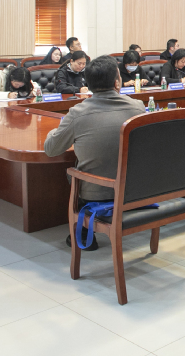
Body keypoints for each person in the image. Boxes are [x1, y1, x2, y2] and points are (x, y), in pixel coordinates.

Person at [44, 55, 145, 250]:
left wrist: (52, 132)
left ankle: (82, 232)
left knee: (74, 171)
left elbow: (51, 149)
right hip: (134, 189)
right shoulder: (137, 107)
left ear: (88, 85)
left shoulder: (77, 113)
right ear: (117, 82)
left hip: (97, 192)